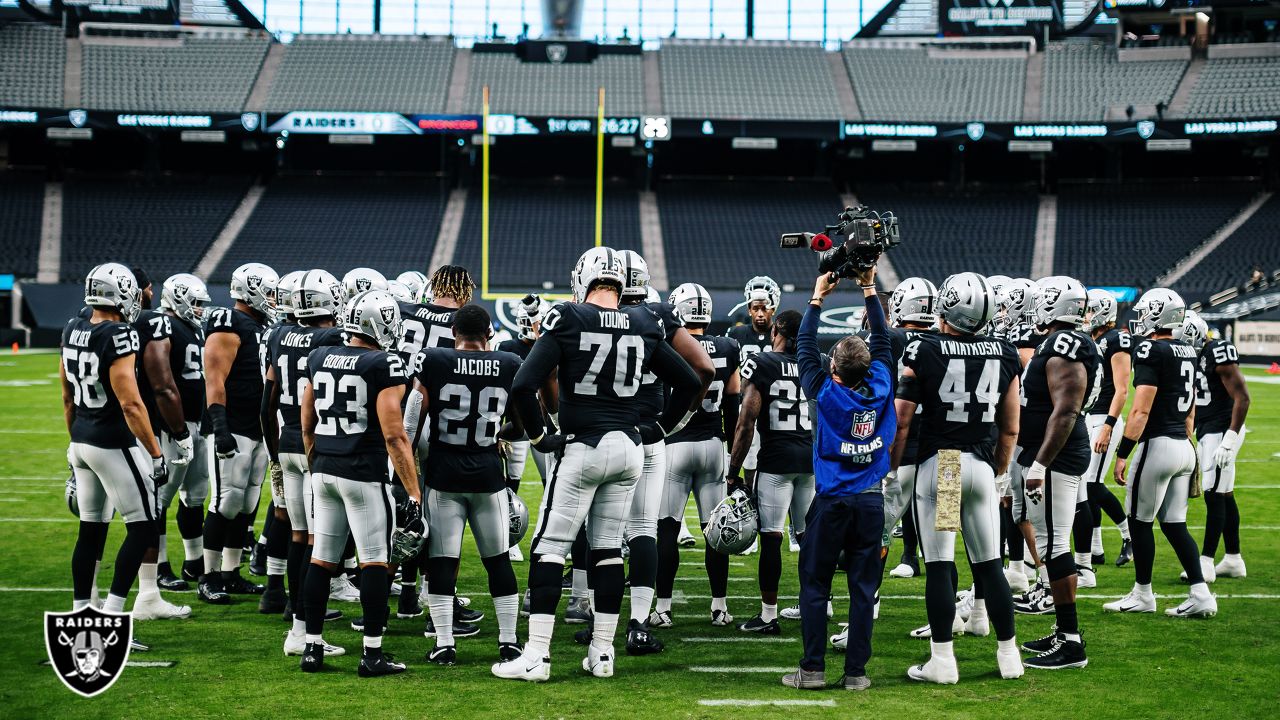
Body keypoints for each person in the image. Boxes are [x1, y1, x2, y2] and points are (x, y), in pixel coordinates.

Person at [492, 247, 701, 682]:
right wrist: (661, 427)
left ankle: (536, 655)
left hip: (583, 445)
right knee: (607, 550)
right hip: (629, 450)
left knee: (550, 548)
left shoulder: (567, 318)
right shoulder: (644, 321)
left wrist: (539, 437)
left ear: (583, 277)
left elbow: (524, 384)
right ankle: (602, 653)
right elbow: (691, 379)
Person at [895, 272, 1024, 684]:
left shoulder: (926, 347)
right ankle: (1009, 656)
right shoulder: (1004, 351)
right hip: (982, 467)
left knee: (939, 564)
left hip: (945, 465)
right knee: (989, 566)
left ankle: (943, 662)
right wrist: (1000, 469)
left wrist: (891, 469)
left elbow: (901, 421)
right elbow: (1010, 428)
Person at [779, 259, 896, 692]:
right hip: (871, 500)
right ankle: (856, 674)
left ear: (834, 369)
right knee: (863, 590)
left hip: (830, 502)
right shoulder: (882, 382)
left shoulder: (824, 390)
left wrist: (816, 297)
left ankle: (812, 670)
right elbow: (882, 342)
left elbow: (804, 344)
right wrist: (869, 289)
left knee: (815, 586)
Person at [299, 290, 420, 676]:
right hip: (363, 474)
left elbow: (306, 417)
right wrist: (413, 490)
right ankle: (371, 654)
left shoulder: (320, 356)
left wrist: (314, 455)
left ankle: (312, 648)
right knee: (373, 561)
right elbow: (394, 434)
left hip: (324, 469)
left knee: (321, 559)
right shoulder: (383, 362)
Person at [407, 304, 524, 666]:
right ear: (489, 334)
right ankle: (509, 642)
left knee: (443, 560)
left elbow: (413, 420)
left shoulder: (435, 359)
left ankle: (444, 643)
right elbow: (519, 428)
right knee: (499, 561)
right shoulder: (508, 363)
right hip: (488, 474)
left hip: (444, 474)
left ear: (454, 333)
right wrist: (492, 432)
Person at [62, 264, 170, 620]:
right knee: (144, 526)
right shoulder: (119, 334)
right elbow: (130, 402)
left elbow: (66, 397)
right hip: (112, 442)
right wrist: (156, 453)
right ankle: (112, 615)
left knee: (90, 530)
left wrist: (74, 440)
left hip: (81, 439)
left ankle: (83, 614)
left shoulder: (72, 327)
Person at [1104, 289, 1217, 618]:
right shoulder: (1187, 350)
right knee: (1175, 524)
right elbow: (1191, 411)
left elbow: (1139, 412)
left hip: (1158, 446)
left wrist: (1123, 452)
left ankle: (1143, 594)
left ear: (1156, 314)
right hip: (1184, 447)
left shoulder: (1151, 349)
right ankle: (1200, 593)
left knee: (1139, 523)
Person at [1016, 277, 1100, 670]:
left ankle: (1071, 643)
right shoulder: (1062, 342)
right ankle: (1063, 631)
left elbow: (1065, 410)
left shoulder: (1066, 345)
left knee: (1054, 547)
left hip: (1056, 458)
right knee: (1053, 544)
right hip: (1054, 455)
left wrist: (1039, 463)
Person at [265, 269, 348, 657]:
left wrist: (273, 452)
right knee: (317, 543)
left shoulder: (278, 334)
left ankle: (292, 613)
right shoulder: (331, 339)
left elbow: (269, 396)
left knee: (300, 535)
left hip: (285, 442)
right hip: (315, 445)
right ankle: (303, 626)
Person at [655, 282, 741, 627]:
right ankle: (719, 607)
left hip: (675, 444)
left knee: (666, 528)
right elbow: (733, 405)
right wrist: (733, 454)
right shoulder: (729, 346)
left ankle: (662, 608)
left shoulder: (670, 344)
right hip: (713, 446)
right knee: (714, 529)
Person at [727, 307, 814, 635]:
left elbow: (746, 422)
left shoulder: (762, 363)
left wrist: (734, 471)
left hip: (776, 460)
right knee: (808, 538)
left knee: (772, 538)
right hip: (809, 460)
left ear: (776, 330)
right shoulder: (814, 361)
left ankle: (768, 614)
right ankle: (815, 603)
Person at [198, 262, 277, 605]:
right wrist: (220, 425)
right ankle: (208, 575)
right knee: (225, 501)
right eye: (270, 292)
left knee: (246, 503)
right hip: (231, 425)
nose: (274, 299)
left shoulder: (261, 326)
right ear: (252, 289)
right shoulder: (229, 322)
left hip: (256, 426)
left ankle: (231, 574)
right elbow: (214, 377)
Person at [1179, 311, 1251, 581]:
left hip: (1223, 429)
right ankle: (1233, 559)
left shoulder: (1218, 351)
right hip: (1209, 428)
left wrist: (1229, 440)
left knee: (1214, 493)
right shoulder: (1197, 355)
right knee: (1225, 493)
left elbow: (1243, 398)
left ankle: (1206, 563)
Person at [153, 274, 212, 590]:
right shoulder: (162, 327)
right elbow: (160, 381)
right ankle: (159, 567)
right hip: (173, 427)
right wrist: (174, 429)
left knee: (195, 496)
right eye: (197, 303)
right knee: (160, 499)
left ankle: (194, 563)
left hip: (199, 423)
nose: (201, 309)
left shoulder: (195, 328)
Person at [1083, 289, 1135, 568]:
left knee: (1092, 484)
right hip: (1093, 416)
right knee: (1088, 485)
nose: (1086, 316)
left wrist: (1108, 425)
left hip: (1105, 419)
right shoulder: (1097, 339)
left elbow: (1122, 388)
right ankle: (1096, 549)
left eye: (1090, 310)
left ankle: (1129, 537)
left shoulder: (1116, 339)